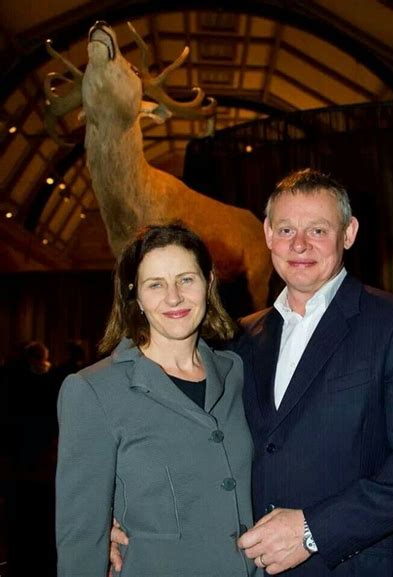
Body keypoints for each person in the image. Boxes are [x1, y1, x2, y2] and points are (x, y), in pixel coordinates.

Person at [110, 169, 393, 577]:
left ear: (349, 233)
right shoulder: (239, 338)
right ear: (267, 233)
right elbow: (192, 443)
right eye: (287, 229)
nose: (300, 245)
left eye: (318, 230)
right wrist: (121, 515)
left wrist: (314, 530)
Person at [56, 223, 259, 577]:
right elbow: (81, 535)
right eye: (156, 285)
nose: (174, 298)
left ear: (209, 283)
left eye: (186, 279)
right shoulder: (93, 390)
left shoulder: (237, 372)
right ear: (134, 296)